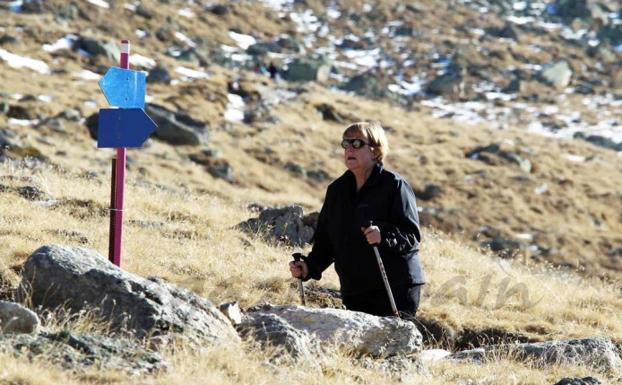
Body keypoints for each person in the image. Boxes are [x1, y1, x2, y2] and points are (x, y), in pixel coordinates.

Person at [289, 121, 425, 318]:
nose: (349, 149)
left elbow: (411, 235)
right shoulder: (336, 191)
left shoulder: (394, 186)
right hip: (355, 289)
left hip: (394, 286)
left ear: (375, 150)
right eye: (346, 144)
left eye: (357, 143)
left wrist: (383, 235)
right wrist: (309, 266)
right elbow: (327, 242)